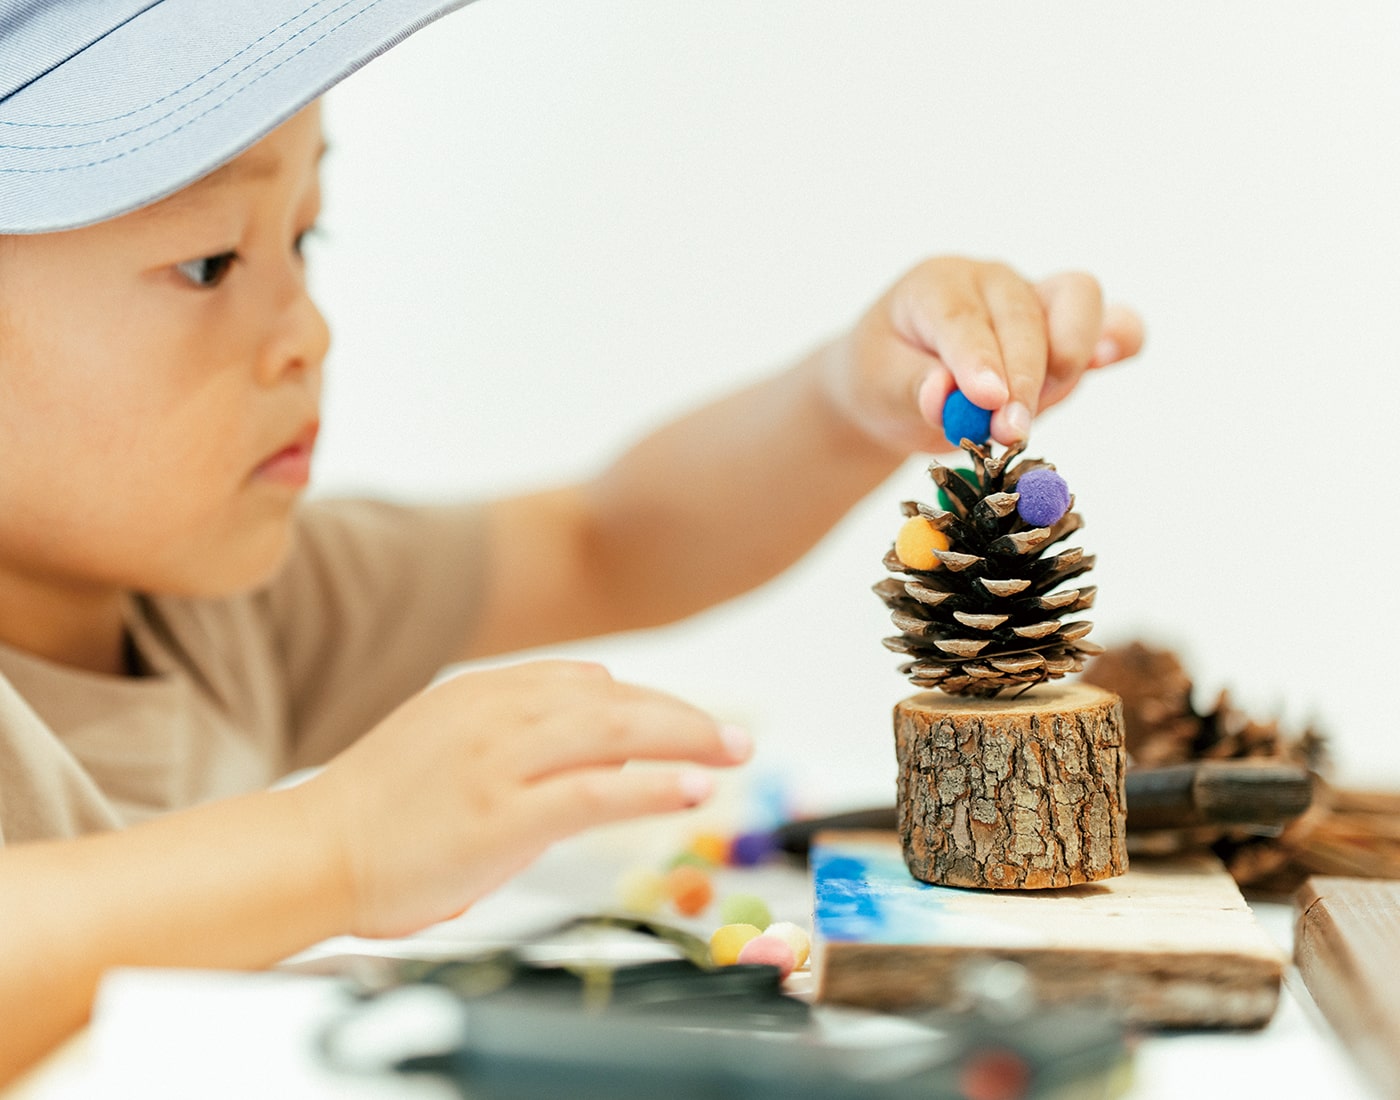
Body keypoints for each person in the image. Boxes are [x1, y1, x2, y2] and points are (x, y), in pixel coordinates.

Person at [0, 0, 1143, 1080]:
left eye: (306, 234)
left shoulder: (229, 608)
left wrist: (842, 406)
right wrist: (333, 846)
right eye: (207, 262)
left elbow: (606, 539)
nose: (307, 331)